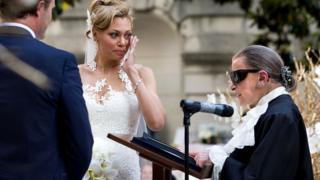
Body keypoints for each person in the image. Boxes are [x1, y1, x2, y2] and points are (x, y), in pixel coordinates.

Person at [0, 0, 93, 179]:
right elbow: (80, 144)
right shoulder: (58, 62)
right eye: (51, 9)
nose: (50, 17)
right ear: (40, 7)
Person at [192, 45, 314, 180]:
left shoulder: (280, 116)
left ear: (262, 78)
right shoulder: (272, 112)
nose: (232, 86)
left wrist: (217, 158)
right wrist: (209, 157)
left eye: (237, 76)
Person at [78, 0, 166, 179]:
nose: (123, 42)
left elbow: (156, 122)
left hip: (125, 172)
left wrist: (132, 73)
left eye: (128, 35)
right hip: (83, 169)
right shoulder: (75, 74)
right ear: (95, 34)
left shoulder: (143, 73)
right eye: (114, 35)